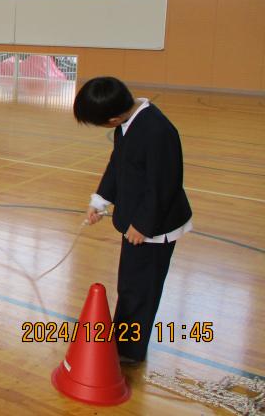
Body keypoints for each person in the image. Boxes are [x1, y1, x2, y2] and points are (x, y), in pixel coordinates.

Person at [74, 76, 193, 364]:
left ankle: (129, 352)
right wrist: (100, 200)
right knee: (130, 285)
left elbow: (164, 185)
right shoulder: (127, 123)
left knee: (141, 289)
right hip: (137, 222)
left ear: (113, 119)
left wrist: (142, 225)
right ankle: (122, 341)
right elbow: (118, 164)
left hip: (154, 227)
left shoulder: (157, 130)